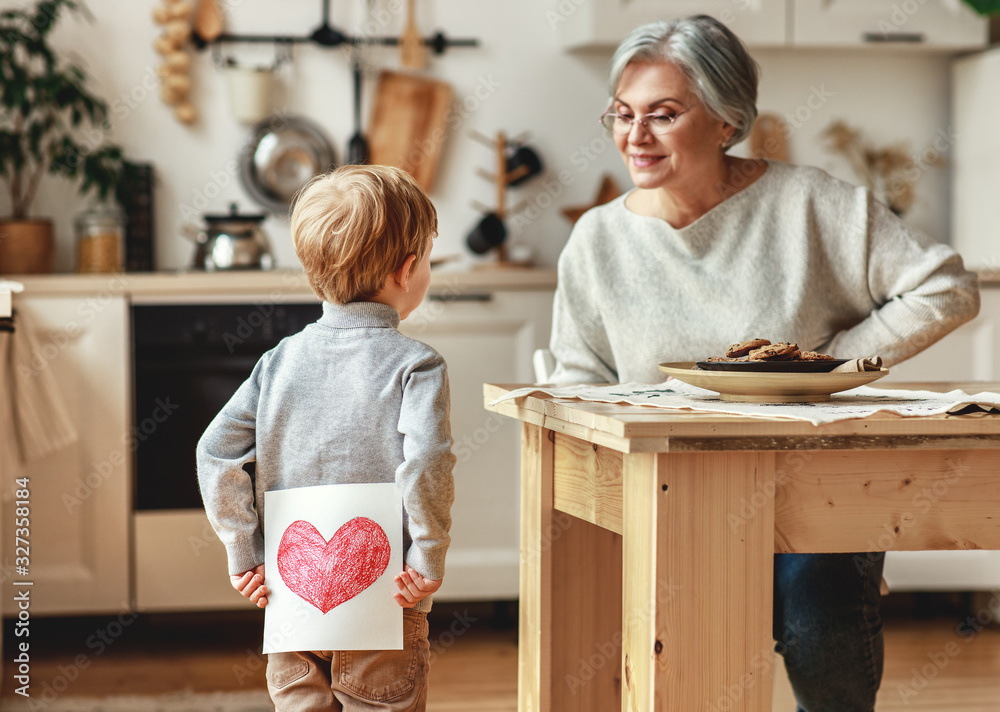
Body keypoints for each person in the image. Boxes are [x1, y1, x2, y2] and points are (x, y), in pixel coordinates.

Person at [549, 15, 980, 712]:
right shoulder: (597, 240)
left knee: (818, 624)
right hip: (670, 495)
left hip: (811, 487)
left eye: (663, 114)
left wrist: (832, 365)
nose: (636, 136)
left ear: (726, 120)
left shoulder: (813, 204)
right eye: (623, 115)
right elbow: (576, 380)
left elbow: (948, 289)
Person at [197, 164, 456, 712]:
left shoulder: (278, 362)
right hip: (385, 601)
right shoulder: (416, 365)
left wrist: (243, 552)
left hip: (292, 601)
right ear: (407, 270)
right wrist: (427, 555)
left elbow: (214, 450)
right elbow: (427, 461)